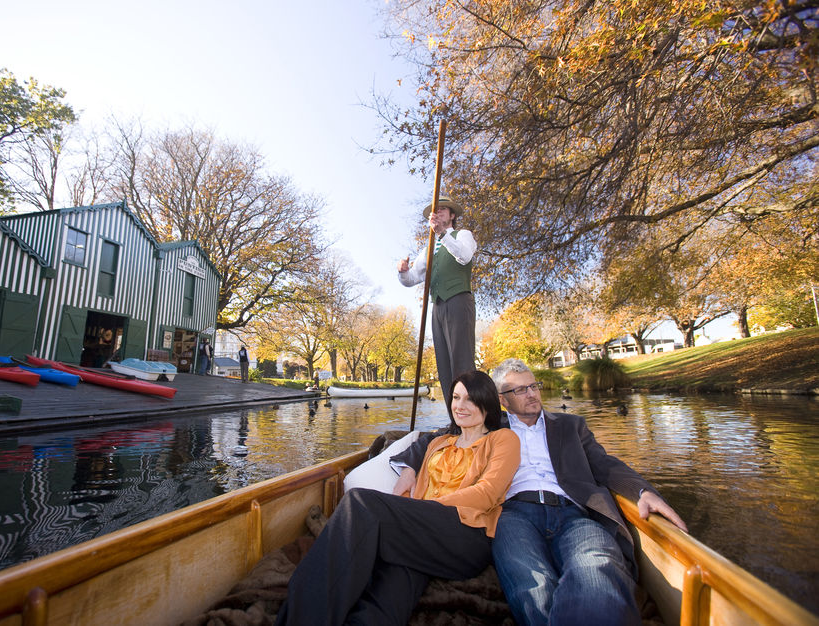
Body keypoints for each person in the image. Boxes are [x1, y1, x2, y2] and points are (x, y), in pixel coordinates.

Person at [391, 358, 688, 626]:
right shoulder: (489, 425)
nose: (532, 393)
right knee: (531, 583)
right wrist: (409, 468)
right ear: (501, 400)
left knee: (598, 563)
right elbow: (432, 438)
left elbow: (604, 463)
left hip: (573, 512)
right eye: (520, 390)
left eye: (533, 386)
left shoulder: (571, 425)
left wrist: (641, 491)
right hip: (513, 514)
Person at [276, 371, 521, 625]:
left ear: (486, 402)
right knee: (391, 591)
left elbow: (487, 494)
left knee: (359, 503)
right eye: (456, 397)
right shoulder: (439, 443)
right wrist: (409, 492)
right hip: (422, 532)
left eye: (470, 399)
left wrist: (419, 510)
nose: (460, 406)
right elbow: (410, 482)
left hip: (466, 535)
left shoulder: (502, 439)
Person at [397, 196, 477, 408]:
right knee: (444, 365)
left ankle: (472, 416)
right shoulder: (429, 248)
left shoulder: (463, 235)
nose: (438, 212)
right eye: (436, 210)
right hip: (438, 306)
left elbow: (465, 256)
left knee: (462, 361)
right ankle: (455, 420)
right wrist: (402, 272)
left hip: (459, 300)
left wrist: (442, 233)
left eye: (444, 210)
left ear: (452, 215)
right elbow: (413, 278)